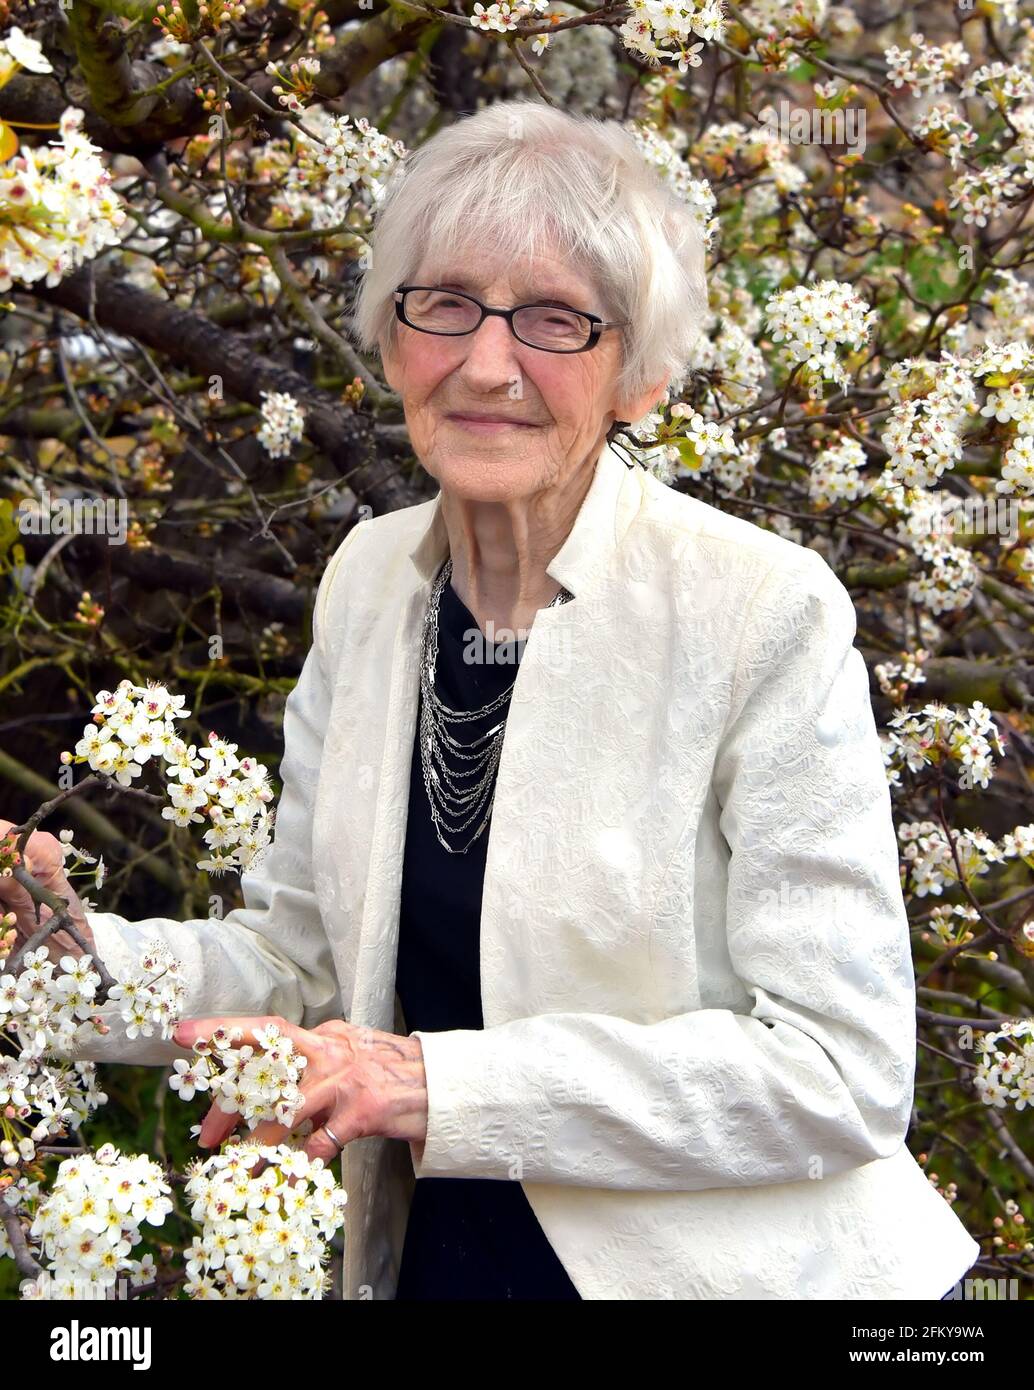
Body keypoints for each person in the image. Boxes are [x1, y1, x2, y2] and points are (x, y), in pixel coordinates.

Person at [0, 99, 979, 1300]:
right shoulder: (369, 583)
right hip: (444, 1258)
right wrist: (59, 955)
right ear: (389, 333)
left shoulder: (761, 610)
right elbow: (300, 963)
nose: (483, 364)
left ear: (640, 376)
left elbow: (836, 1068)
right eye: (445, 302)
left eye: (555, 319)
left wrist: (429, 1084)